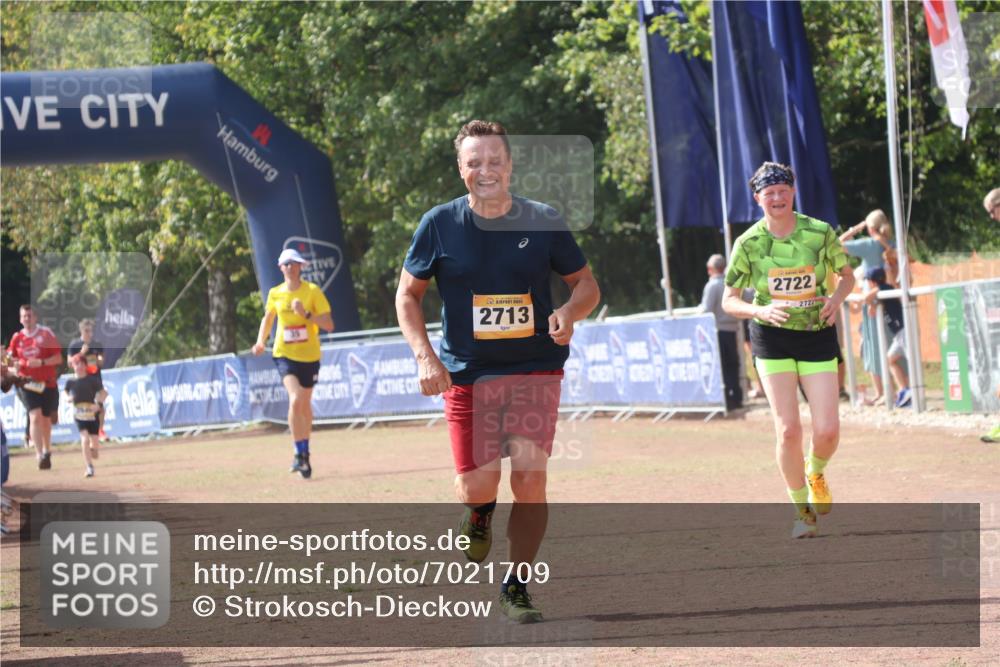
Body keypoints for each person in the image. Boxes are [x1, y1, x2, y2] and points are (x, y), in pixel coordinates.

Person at [395, 120, 600, 623]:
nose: (485, 170)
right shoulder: (438, 224)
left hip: (535, 369)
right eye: (474, 162)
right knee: (477, 486)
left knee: (530, 479)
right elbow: (408, 296)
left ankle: (517, 584)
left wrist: (569, 313)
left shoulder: (543, 219)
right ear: (461, 169)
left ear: (509, 165)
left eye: (494, 161)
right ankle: (479, 512)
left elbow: (587, 285)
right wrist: (426, 356)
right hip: (468, 374)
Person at [722, 162, 854, 539]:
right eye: (769, 192)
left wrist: (836, 300)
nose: (776, 198)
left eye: (783, 190)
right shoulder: (748, 243)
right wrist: (759, 309)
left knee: (827, 429)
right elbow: (729, 301)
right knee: (788, 430)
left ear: (792, 192)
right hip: (771, 337)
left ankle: (814, 471)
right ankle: (802, 512)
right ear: (757, 198)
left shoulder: (819, 232)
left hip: (815, 332)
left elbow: (847, 276)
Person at [251, 248, 334, 479]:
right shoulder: (275, 293)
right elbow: (267, 320)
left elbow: (328, 324)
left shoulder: (312, 291)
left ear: (301, 267)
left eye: (294, 263)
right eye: (286, 264)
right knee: (295, 398)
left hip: (309, 356)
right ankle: (298, 452)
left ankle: (304, 454)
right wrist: (260, 341)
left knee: (305, 405)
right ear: (280, 268)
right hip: (284, 353)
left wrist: (306, 315)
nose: (290, 267)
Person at [839, 210, 895, 405]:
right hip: (891, 303)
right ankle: (893, 390)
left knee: (873, 347)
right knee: (890, 346)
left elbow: (836, 245)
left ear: (870, 228)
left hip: (872, 303)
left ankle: (883, 392)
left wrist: (856, 228)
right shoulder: (892, 245)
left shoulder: (870, 244)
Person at [7, 305, 63, 470]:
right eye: (24, 316)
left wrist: (42, 362)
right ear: (20, 319)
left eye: (29, 316)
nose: (27, 319)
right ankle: (39, 455)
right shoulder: (17, 338)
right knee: (35, 416)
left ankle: (47, 451)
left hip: (48, 383)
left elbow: (59, 358)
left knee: (47, 420)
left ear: (35, 318)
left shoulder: (46, 334)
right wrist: (12, 367)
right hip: (27, 383)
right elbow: (9, 361)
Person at [861, 267, 911, 408]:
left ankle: (913, 393)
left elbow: (866, 298)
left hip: (903, 331)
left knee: (909, 361)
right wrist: (875, 304)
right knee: (890, 359)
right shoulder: (883, 291)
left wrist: (871, 304)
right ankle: (905, 390)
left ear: (872, 282)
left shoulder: (884, 288)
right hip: (898, 334)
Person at [700, 254, 743, 410]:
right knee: (733, 364)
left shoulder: (712, 285)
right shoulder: (730, 283)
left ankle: (727, 400)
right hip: (733, 330)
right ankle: (737, 398)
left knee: (723, 366)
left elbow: (706, 309)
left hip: (718, 331)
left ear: (711, 269)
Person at [64, 354, 107, 477]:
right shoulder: (70, 382)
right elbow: (64, 392)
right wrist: (67, 398)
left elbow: (104, 393)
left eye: (82, 364)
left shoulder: (92, 380)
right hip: (79, 415)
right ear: (72, 366)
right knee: (85, 439)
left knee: (94, 444)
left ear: (86, 365)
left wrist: (98, 405)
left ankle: (94, 451)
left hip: (92, 415)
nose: (79, 367)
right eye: (77, 364)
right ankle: (89, 467)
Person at [67, 318, 106, 437]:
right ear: (81, 331)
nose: (90, 334)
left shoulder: (97, 344)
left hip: (95, 379)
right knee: (84, 407)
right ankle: (85, 432)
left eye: (91, 331)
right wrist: (82, 354)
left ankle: (100, 431)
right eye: (87, 331)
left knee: (100, 406)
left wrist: (99, 360)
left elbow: (101, 361)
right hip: (81, 381)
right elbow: (69, 364)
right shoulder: (75, 345)